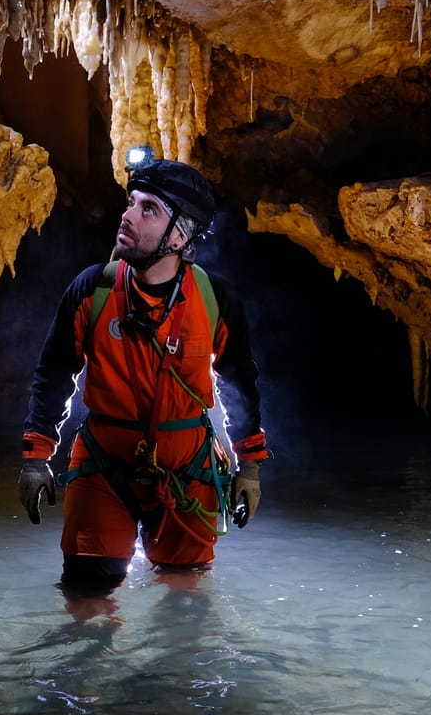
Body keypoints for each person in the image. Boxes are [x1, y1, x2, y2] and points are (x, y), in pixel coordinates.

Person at [18, 149, 268, 594]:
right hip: (103, 467)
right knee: (86, 599)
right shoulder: (92, 290)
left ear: (180, 237)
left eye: (148, 209)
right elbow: (54, 374)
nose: (128, 216)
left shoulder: (215, 301)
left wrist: (248, 466)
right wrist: (37, 459)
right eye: (131, 202)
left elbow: (238, 384)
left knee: (184, 610)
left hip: (186, 471)